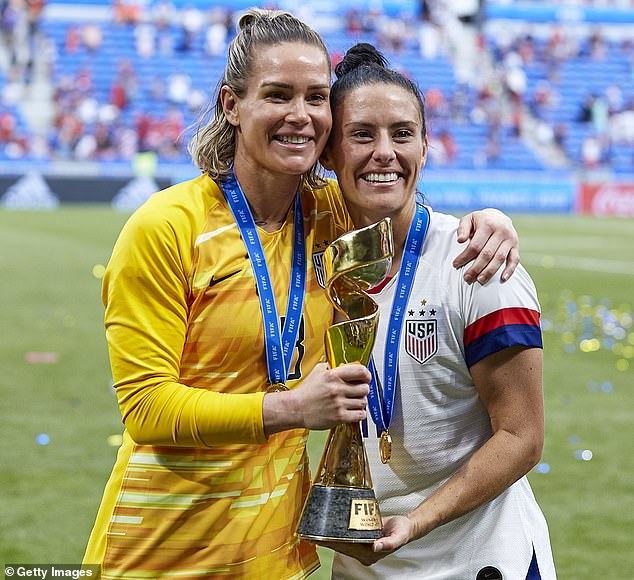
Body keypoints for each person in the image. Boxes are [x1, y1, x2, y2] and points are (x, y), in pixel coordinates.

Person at [83, 10, 522, 578]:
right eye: (277, 94)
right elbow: (145, 408)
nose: (300, 115)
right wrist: (290, 408)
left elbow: (404, 206)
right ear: (230, 105)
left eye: (316, 97)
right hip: (161, 549)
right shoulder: (167, 228)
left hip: (278, 557)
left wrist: (491, 221)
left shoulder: (330, 218)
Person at [319, 43, 556, 579]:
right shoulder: (320, 270)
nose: (384, 151)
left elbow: (522, 437)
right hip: (361, 567)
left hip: (480, 563)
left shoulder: (479, 265)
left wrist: (417, 522)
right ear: (329, 152)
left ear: (426, 146)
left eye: (402, 133)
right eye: (362, 134)